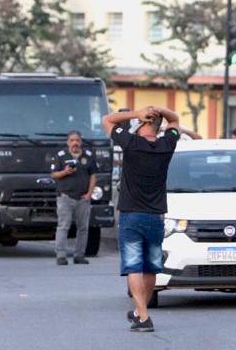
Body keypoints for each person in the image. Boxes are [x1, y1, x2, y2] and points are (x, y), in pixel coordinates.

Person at [102, 105, 181, 333]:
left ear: (144, 123)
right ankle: (139, 311)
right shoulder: (167, 145)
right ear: (158, 127)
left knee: (134, 266)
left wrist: (136, 114)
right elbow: (175, 120)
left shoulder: (131, 143)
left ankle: (144, 317)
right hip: (156, 217)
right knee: (150, 268)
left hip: (131, 215)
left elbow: (108, 119)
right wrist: (161, 111)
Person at [49, 131, 98, 265]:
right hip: (65, 197)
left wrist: (89, 194)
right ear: (68, 142)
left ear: (81, 142)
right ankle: (61, 256)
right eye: (71, 140)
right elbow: (53, 175)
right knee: (63, 226)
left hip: (83, 198)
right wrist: (65, 172)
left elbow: (93, 176)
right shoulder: (61, 156)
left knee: (83, 228)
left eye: (77, 140)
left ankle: (79, 256)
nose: (74, 143)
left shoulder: (88, 156)